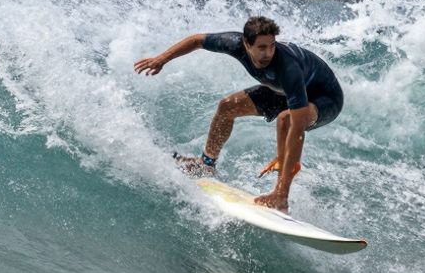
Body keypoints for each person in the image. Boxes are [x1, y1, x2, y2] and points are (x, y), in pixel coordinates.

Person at [133, 16, 344, 213]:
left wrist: (284, 184)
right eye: (261, 47)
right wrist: (161, 59)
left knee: (286, 120)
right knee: (227, 106)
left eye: (272, 46)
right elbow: (196, 40)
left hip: (324, 98)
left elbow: (297, 129)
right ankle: (206, 164)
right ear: (246, 44)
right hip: (281, 92)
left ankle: (280, 196)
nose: (268, 53)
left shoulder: (288, 68)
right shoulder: (233, 43)